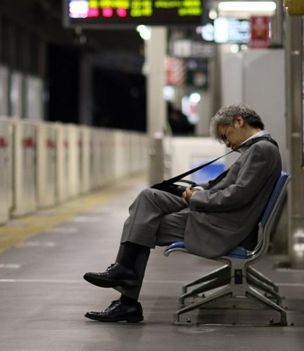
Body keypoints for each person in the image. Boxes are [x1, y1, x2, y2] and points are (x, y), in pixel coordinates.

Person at [82, 105, 282, 323]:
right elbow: (229, 188)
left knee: (146, 224)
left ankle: (127, 299)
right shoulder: (258, 149)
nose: (227, 144)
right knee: (148, 197)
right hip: (219, 214)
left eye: (226, 136)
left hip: (224, 226)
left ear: (239, 122)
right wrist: (196, 190)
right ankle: (124, 271)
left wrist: (195, 198)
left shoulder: (261, 150)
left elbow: (237, 196)